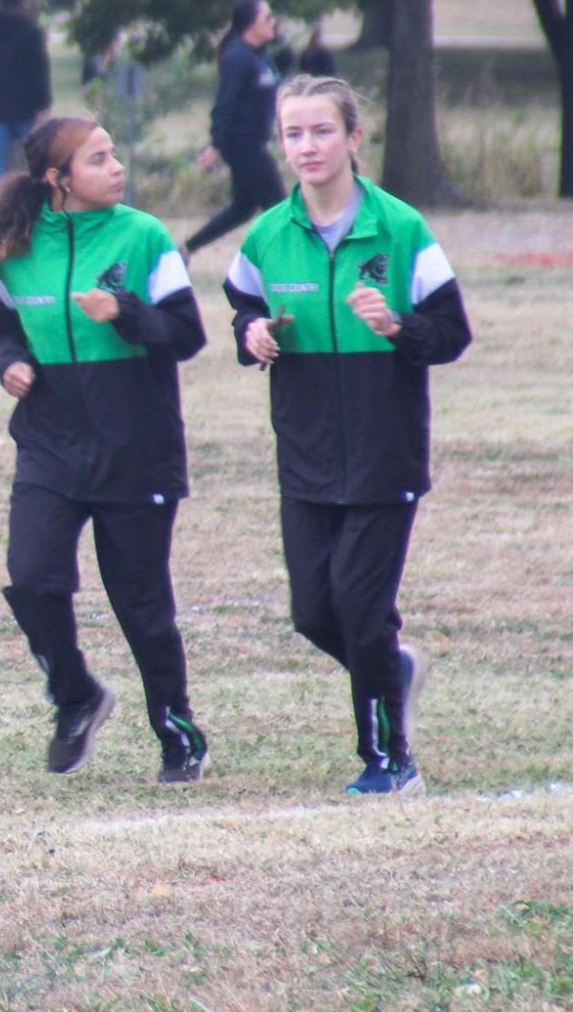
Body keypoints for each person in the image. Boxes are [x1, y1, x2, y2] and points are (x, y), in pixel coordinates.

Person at [223, 75, 470, 796]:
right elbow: (240, 304)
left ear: (353, 139)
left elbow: (451, 332)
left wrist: (397, 327)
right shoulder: (268, 233)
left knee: (361, 610)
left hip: (382, 449)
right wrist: (253, 333)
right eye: (292, 133)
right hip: (303, 452)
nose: (306, 146)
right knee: (312, 613)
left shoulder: (399, 230)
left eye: (321, 131)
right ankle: (389, 671)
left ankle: (389, 760)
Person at [0, 115, 211, 782]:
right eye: (97, 159)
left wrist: (126, 313)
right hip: (49, 444)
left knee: (140, 604)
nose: (115, 168)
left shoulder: (143, 237)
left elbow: (186, 335)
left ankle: (176, 731)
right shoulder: (13, 245)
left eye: (113, 155)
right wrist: (11, 362)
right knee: (30, 578)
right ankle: (76, 696)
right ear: (56, 180)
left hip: (136, 448)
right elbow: (2, 325)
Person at [183, 0, 283, 261]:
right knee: (279, 207)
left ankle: (186, 248)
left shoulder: (260, 55)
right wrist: (217, 145)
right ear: (250, 24)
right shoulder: (237, 57)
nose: (274, 22)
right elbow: (224, 103)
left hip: (256, 142)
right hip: (241, 144)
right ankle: (283, 262)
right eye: (268, 18)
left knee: (243, 208)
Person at [0, 0, 53, 189]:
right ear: (22, 3)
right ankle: (36, 197)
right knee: (32, 157)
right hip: (25, 106)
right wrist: (42, 104)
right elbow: (39, 70)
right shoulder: (31, 33)